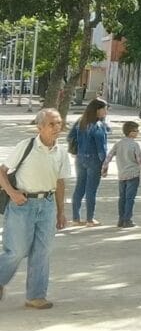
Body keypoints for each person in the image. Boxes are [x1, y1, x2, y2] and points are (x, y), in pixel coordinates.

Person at [0, 108, 69, 309]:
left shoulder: (61, 152)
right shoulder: (26, 146)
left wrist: (60, 211)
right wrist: (12, 193)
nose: (57, 127)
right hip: (22, 204)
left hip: (46, 205)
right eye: (51, 124)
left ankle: (36, 296)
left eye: (59, 123)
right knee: (17, 250)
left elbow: (60, 182)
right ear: (40, 127)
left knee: (43, 251)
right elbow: (2, 172)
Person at [68, 97, 109, 226]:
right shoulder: (98, 126)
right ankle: (90, 219)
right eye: (104, 109)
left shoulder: (81, 122)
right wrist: (104, 164)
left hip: (80, 158)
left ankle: (76, 218)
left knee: (79, 187)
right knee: (91, 190)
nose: (106, 112)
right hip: (94, 160)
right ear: (98, 110)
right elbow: (101, 148)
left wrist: (75, 151)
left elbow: (70, 137)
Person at [102, 120, 141, 227]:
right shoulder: (135, 145)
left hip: (122, 175)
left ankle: (121, 219)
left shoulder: (118, 144)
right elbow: (139, 160)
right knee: (130, 198)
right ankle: (127, 219)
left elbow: (109, 157)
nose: (138, 132)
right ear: (131, 132)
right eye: (136, 131)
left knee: (122, 198)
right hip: (133, 175)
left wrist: (104, 169)